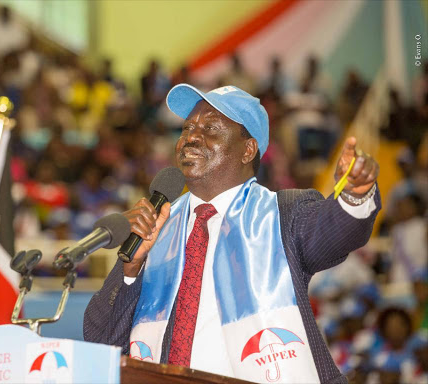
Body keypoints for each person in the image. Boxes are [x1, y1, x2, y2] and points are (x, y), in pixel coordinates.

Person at [84, 84, 380, 383]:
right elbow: (99, 339)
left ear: (248, 149)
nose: (190, 138)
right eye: (187, 128)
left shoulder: (282, 214)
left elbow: (338, 230)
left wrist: (355, 195)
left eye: (210, 127)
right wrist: (130, 272)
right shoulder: (157, 226)